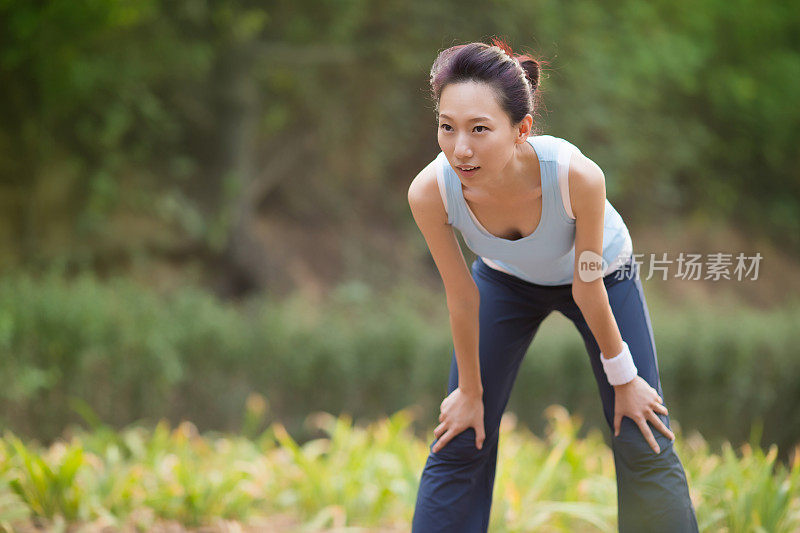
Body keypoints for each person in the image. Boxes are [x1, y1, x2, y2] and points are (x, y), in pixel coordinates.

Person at [406, 38, 699, 532]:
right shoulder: (430, 191)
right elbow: (462, 296)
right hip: (505, 280)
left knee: (640, 428)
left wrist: (624, 381)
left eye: (480, 129)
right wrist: (471, 392)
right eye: (447, 127)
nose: (460, 148)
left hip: (602, 277)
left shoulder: (577, 177)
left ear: (521, 129)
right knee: (460, 432)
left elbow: (588, 291)